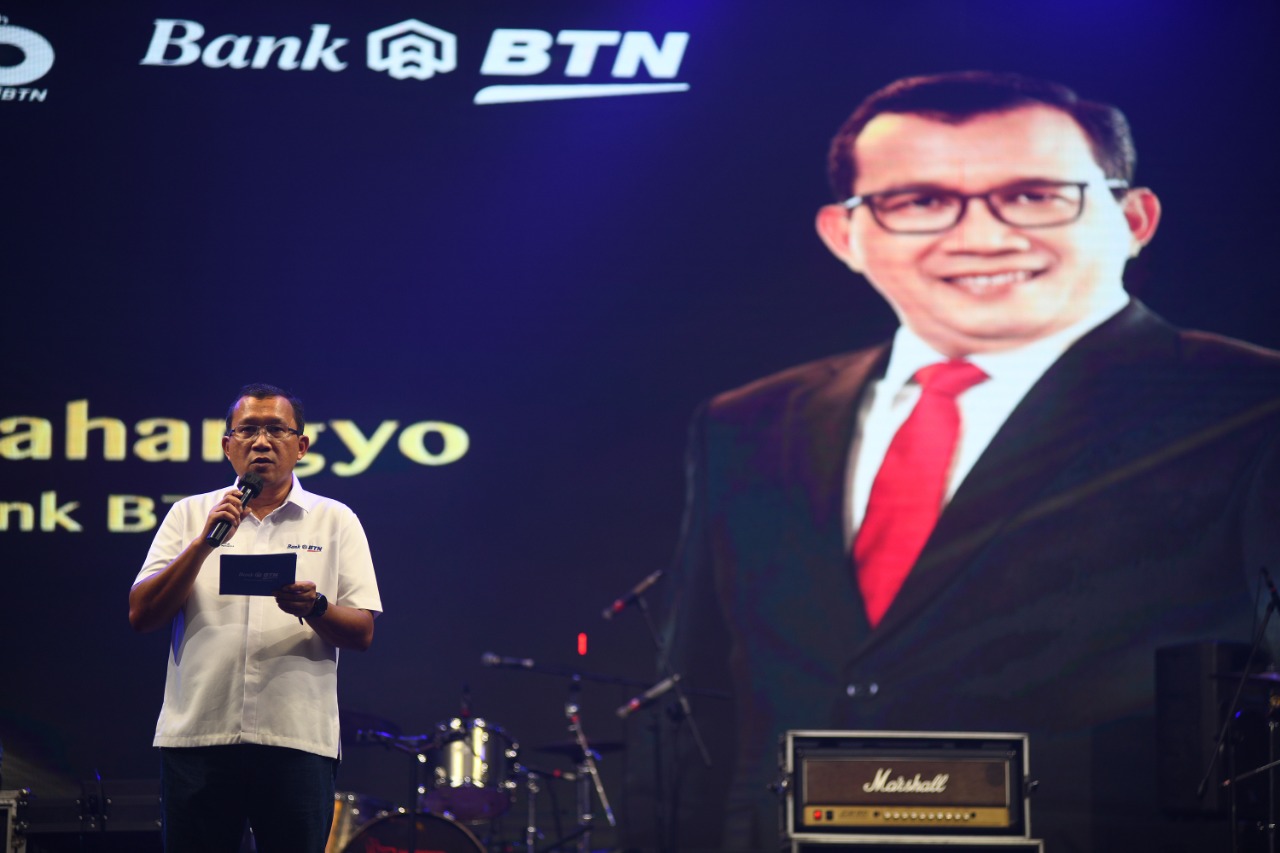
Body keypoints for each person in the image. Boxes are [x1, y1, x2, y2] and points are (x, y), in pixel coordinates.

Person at [653, 72, 1280, 852]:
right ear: (845, 235)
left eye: (1034, 195)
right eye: (919, 201)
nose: (982, 236)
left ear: (1133, 219)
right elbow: (693, 706)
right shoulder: (748, 422)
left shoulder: (1252, 407)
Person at [129, 383, 382, 853]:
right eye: (247, 431)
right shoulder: (190, 514)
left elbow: (362, 632)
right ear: (228, 446)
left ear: (301, 446)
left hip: (296, 740)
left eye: (276, 430)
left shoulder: (335, 520)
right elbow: (142, 614)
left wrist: (316, 607)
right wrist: (203, 544)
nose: (261, 442)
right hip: (198, 737)